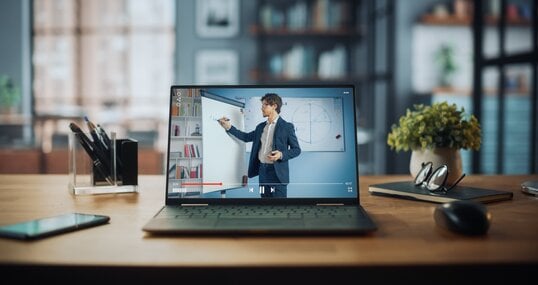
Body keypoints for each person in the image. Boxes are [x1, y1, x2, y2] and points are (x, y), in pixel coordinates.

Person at [218, 93, 301, 198]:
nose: (262, 108)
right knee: (265, 205)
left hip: (277, 174)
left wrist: (281, 155)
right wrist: (229, 127)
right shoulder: (260, 127)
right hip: (262, 171)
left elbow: (297, 150)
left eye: (265, 105)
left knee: (279, 208)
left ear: (274, 106)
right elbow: (246, 137)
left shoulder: (287, 127)